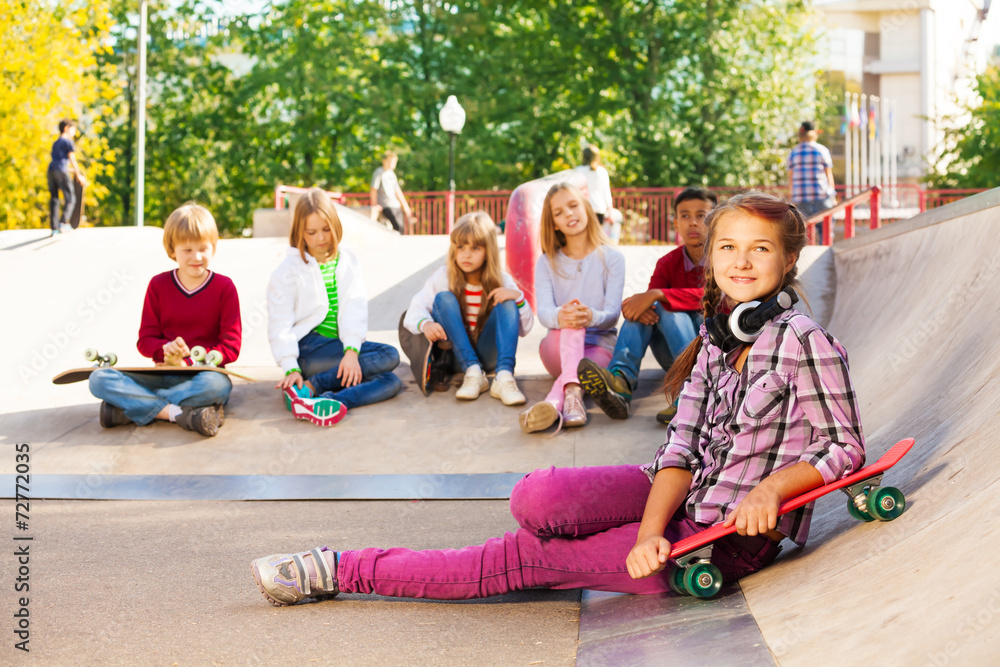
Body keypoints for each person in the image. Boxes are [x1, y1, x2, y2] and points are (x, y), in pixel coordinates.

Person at [248, 192, 866, 606]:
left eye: (760, 249)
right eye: (728, 247)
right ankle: (611, 536)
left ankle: (341, 568)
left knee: (519, 559)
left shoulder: (802, 342)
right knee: (535, 498)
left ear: (788, 261)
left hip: (717, 536)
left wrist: (772, 491)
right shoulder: (715, 336)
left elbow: (844, 445)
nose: (740, 261)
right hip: (674, 497)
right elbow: (682, 446)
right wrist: (649, 529)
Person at [89, 203, 240, 437]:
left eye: (203, 248)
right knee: (99, 379)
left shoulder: (224, 287)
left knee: (219, 386)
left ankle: (129, 410)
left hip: (201, 376)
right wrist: (166, 350)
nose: (196, 257)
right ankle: (179, 413)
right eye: (187, 250)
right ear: (172, 250)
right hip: (161, 373)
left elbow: (231, 346)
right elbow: (145, 341)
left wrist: (192, 361)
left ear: (214, 247)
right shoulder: (158, 285)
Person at [578, 188, 717, 424]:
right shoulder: (668, 262)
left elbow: (716, 299)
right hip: (673, 358)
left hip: (712, 355)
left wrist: (658, 295)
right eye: (684, 215)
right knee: (649, 309)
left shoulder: (723, 257)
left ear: (715, 221)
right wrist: (634, 305)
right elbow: (646, 303)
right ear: (676, 222)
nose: (692, 222)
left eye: (701, 215)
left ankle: (693, 392)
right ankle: (620, 382)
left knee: (664, 306)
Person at [268, 187, 402, 427]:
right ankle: (311, 385)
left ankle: (325, 401)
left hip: (339, 348)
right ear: (300, 232)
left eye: (326, 229)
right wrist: (291, 369)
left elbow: (355, 306)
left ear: (336, 225)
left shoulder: (348, 260)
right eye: (312, 232)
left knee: (391, 379)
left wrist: (351, 352)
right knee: (387, 358)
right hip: (309, 350)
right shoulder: (288, 270)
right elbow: (280, 325)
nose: (321, 238)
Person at [518, 183, 625, 433]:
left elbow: (612, 315)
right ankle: (574, 393)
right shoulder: (546, 262)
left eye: (573, 205)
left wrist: (591, 316)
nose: (568, 213)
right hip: (555, 348)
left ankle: (552, 404)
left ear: (586, 208)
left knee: (582, 365)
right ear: (554, 223)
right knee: (571, 320)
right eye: (559, 212)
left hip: (598, 351)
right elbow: (544, 313)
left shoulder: (613, 258)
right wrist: (563, 315)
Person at [401, 211, 534, 405]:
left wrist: (519, 299)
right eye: (460, 247)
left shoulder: (502, 279)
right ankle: (473, 372)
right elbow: (413, 311)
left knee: (506, 298)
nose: (466, 254)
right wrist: (425, 324)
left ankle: (504, 377)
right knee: (444, 298)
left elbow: (525, 329)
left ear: (488, 251)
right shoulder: (444, 276)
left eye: (475, 248)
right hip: (455, 357)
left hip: (490, 357)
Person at [47, 119, 89, 235]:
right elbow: (72, 159)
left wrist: (68, 170)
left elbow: (58, 161)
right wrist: (78, 175)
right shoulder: (68, 141)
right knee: (70, 198)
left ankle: (54, 227)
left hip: (51, 171)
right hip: (61, 170)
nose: (74, 132)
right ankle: (63, 222)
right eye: (73, 129)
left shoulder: (56, 142)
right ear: (66, 128)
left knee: (54, 199)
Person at [787, 121, 837, 218]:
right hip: (821, 196)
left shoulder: (793, 153)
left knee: (805, 231)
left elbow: (790, 178)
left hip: (800, 199)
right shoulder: (822, 150)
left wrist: (792, 196)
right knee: (826, 229)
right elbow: (829, 175)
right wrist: (833, 197)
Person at [574, 144, 616, 239]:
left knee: (584, 237)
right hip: (599, 209)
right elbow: (606, 192)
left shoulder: (577, 171)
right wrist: (610, 212)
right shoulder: (602, 172)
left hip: (583, 209)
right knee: (596, 237)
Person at [370, 151, 412, 234]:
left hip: (395, 204)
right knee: (397, 226)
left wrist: (405, 207)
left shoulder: (392, 174)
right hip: (385, 205)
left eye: (394, 162)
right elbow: (373, 189)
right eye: (390, 161)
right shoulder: (379, 172)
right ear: (384, 160)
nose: (392, 164)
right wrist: (375, 205)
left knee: (401, 228)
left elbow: (397, 191)